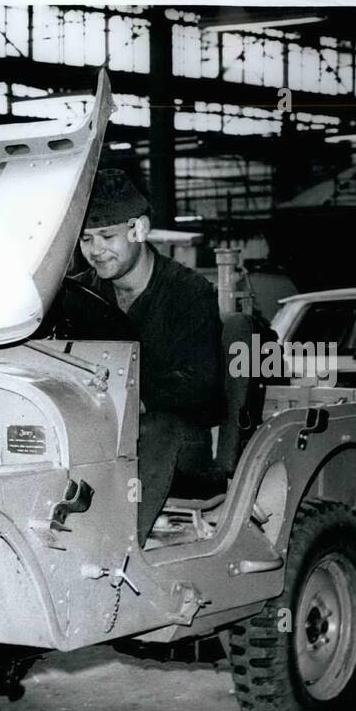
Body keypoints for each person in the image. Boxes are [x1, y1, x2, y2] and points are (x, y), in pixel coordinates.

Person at [72, 170, 225, 543]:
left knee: (157, 429)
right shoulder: (77, 297)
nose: (96, 250)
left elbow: (200, 384)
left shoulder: (189, 293)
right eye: (87, 239)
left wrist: (134, 401)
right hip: (103, 432)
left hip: (181, 443)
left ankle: (121, 549)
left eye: (108, 236)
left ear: (138, 230)